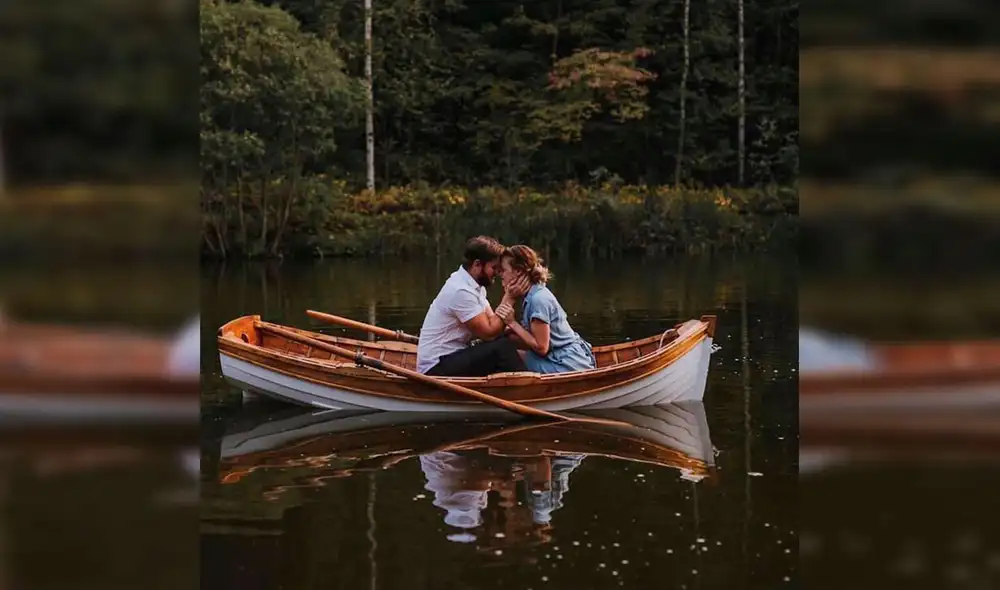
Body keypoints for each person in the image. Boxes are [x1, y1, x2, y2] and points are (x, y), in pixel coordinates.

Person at [416, 236, 531, 376]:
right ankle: (533, 388)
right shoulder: (460, 291)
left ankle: (529, 374)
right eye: (493, 267)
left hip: (455, 355)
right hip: (435, 367)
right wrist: (510, 297)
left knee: (506, 340)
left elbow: (495, 324)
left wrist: (525, 335)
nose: (497, 272)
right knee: (502, 348)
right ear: (477, 264)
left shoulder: (475, 286)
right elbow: (489, 333)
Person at [496, 245, 596, 373]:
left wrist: (512, 323)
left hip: (567, 363)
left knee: (504, 356)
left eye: (503, 270)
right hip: (556, 356)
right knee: (506, 343)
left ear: (518, 271)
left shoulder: (538, 299)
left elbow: (542, 347)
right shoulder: (533, 294)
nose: (500, 275)